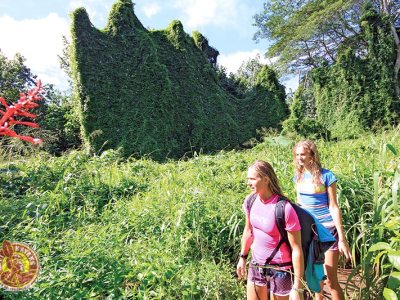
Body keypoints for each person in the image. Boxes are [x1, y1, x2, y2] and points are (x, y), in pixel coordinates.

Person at [236, 160, 304, 300]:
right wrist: (242, 257)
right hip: (256, 265)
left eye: (253, 179)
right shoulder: (250, 201)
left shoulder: (284, 208)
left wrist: (297, 286)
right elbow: (248, 232)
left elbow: (297, 249)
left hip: (281, 270)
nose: (248, 183)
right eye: (248, 178)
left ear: (266, 179)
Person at [292, 140, 352, 300]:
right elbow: (299, 205)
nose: (299, 158)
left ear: (312, 155)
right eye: (297, 155)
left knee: (331, 280)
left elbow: (333, 206)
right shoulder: (298, 177)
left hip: (328, 231)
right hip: (309, 232)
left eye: (303, 154)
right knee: (315, 278)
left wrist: (342, 239)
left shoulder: (327, 176)